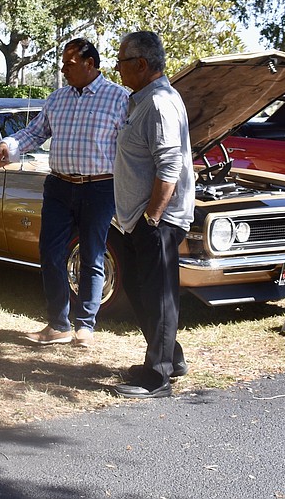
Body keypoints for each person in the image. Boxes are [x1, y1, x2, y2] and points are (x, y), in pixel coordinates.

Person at [0, 38, 128, 348]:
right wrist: (8, 145)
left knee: (93, 253)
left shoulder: (119, 99)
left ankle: (86, 326)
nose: (63, 69)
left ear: (89, 64)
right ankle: (58, 324)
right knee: (50, 253)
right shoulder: (57, 99)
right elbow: (35, 132)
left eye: (69, 63)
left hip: (99, 187)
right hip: (58, 186)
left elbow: (130, 148)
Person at [111, 30, 195, 399]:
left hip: (156, 219)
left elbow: (169, 166)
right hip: (135, 219)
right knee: (137, 287)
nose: (117, 69)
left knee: (158, 294)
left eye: (121, 62)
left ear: (141, 64)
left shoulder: (160, 103)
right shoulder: (142, 100)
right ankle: (169, 358)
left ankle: (157, 377)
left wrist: (151, 218)